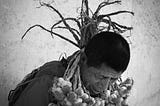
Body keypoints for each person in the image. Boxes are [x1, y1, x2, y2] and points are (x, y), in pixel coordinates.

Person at [8, 31, 130, 106]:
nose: (104, 87)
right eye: (101, 77)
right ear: (83, 59)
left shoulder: (112, 92)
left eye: (113, 79)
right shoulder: (49, 85)